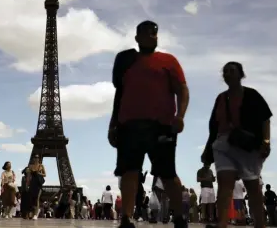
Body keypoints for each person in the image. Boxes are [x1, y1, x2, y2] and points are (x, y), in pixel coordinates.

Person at [108, 20, 189, 228]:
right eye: (146, 33)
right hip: (130, 124)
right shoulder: (125, 60)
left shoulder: (169, 61)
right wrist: (113, 123)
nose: (151, 37)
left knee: (167, 173)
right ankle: (126, 218)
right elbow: (120, 94)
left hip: (161, 125)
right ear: (137, 38)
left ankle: (179, 217)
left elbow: (182, 90)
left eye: (154, 34)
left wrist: (180, 116)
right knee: (129, 171)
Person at [201, 62, 272, 228]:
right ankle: (222, 223)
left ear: (241, 74)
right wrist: (207, 154)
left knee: (253, 187)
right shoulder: (220, 98)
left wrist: (266, 141)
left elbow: (265, 118)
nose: (227, 74)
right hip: (222, 144)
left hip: (246, 146)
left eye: (231, 71)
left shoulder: (252, 95)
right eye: (225, 72)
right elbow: (213, 127)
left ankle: (260, 224)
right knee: (224, 183)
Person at [28, 154, 47, 220]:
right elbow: (29, 176)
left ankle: (35, 214)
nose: (36, 158)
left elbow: (45, 175)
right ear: (33, 159)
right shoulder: (30, 166)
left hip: (38, 184)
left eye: (37, 157)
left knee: (37, 199)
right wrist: (27, 184)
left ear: (39, 159)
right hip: (32, 183)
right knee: (32, 199)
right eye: (35, 157)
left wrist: (39, 173)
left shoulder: (41, 166)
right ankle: (33, 213)